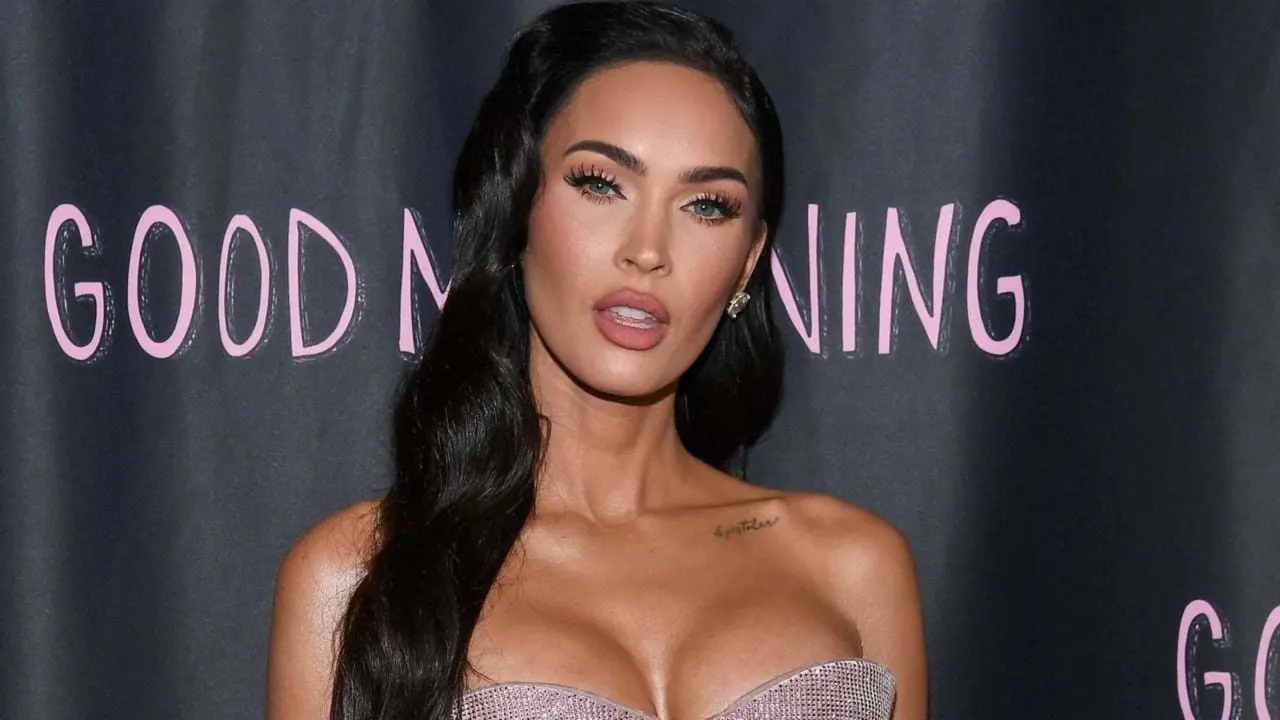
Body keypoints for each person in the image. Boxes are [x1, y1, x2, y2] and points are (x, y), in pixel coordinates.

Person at [266, 2, 927, 718]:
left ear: (747, 262)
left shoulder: (853, 566)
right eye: (601, 184)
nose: (648, 250)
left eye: (707, 205)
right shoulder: (358, 577)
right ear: (516, 207)